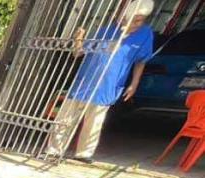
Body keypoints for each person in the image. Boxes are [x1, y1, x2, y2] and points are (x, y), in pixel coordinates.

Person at [46, 0, 154, 163]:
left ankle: (84, 153)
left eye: (140, 20)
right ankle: (53, 150)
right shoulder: (105, 31)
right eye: (133, 19)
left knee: (95, 121)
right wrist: (79, 39)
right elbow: (78, 53)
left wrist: (134, 84)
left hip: (109, 84)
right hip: (85, 81)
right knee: (66, 118)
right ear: (123, 18)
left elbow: (141, 60)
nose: (136, 24)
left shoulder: (145, 34)